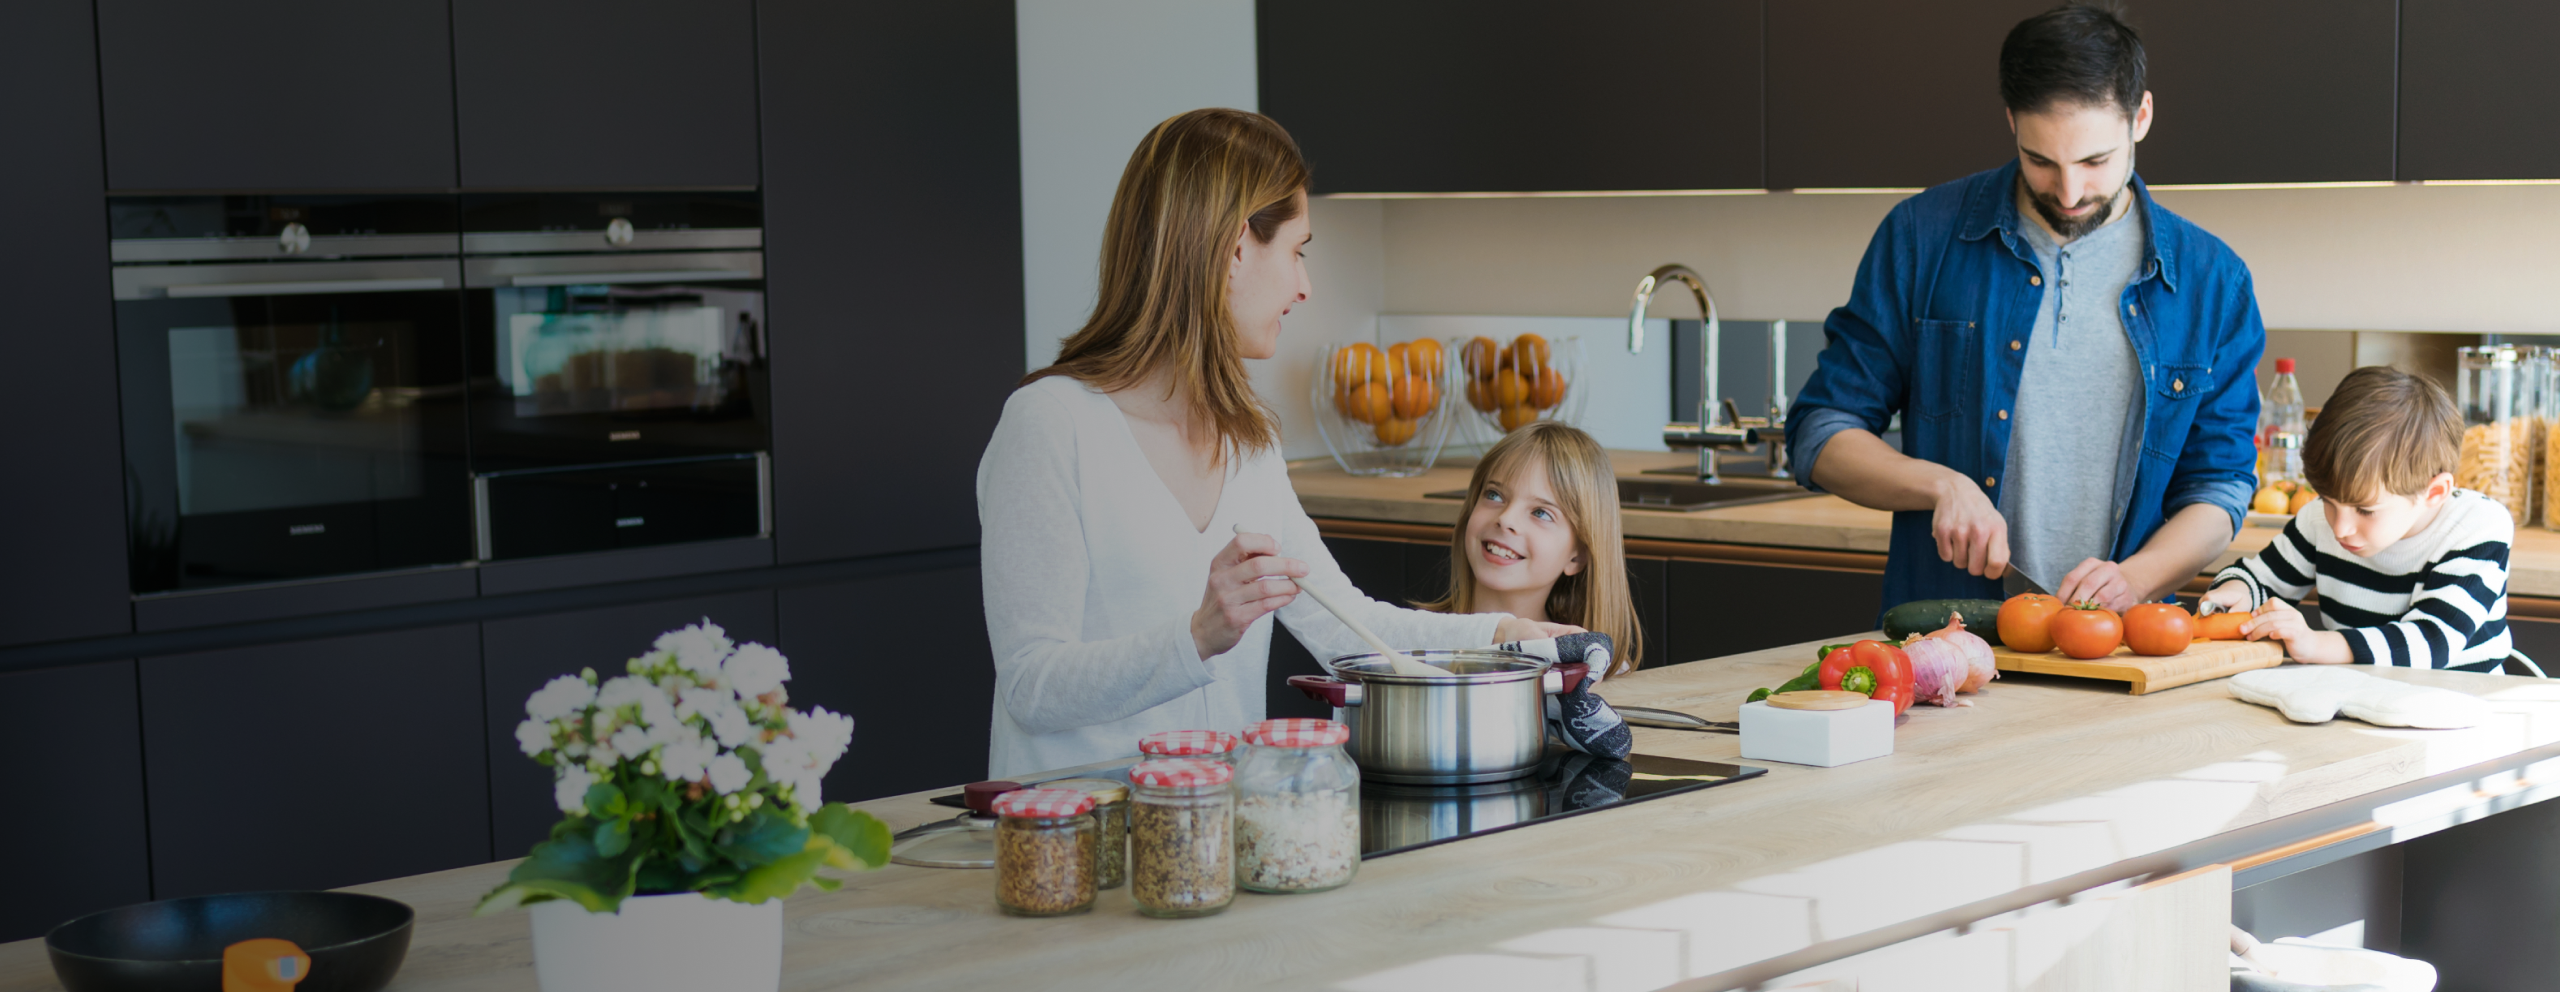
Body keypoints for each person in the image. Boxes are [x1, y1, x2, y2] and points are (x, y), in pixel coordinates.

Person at [976, 108, 1576, 778]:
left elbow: (1345, 624)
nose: (1304, 285)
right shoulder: (1051, 425)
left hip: (1213, 838)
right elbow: (1032, 687)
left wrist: (1504, 638)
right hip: (1078, 846)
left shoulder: (1248, 441)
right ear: (1235, 248)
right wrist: (1199, 635)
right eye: (1297, 251)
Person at [1786, 3, 2264, 615]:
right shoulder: (1920, 237)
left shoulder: (2211, 280)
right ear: (2011, 120)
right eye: (2041, 160)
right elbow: (1820, 432)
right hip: (1946, 641)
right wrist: (1940, 485)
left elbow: (2219, 486)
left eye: (2095, 162)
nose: (2068, 193)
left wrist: (2135, 579)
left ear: (2140, 117)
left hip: (2119, 643)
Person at [2201, 367, 2512, 671]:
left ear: (2433, 492)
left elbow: (2429, 644)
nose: (2340, 527)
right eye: (2327, 501)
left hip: (2461, 708)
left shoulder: (2478, 528)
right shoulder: (2319, 521)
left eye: (2365, 510)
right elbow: (2260, 580)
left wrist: (2314, 644)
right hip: (2359, 699)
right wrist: (2235, 592)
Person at [1419, 421, 1643, 676]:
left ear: (1578, 556)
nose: (1506, 519)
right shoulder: (1414, 638)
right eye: (1494, 495)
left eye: (1540, 512)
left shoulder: (1592, 667)